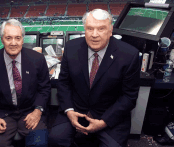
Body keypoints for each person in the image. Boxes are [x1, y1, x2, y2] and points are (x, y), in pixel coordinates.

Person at [49, 9, 140, 147]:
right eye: (90, 28)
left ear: (110, 30)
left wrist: (103, 122)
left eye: (101, 29)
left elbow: (129, 97)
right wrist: (69, 111)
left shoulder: (129, 55)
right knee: (55, 139)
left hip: (108, 115)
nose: (94, 35)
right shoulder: (71, 48)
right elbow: (64, 84)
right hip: (75, 109)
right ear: (84, 30)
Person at [0, 19, 51, 147]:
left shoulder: (38, 59)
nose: (13, 43)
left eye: (17, 38)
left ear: (23, 39)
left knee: (39, 143)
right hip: (4, 113)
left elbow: (44, 88)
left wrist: (38, 111)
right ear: (2, 40)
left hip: (30, 110)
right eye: (8, 38)